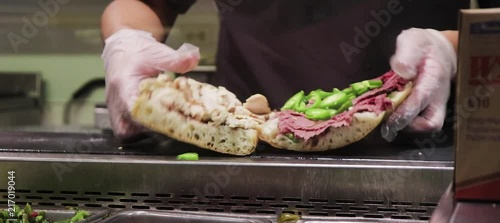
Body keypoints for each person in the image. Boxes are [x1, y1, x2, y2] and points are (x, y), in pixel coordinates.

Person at [100, 0, 468, 142]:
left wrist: (451, 49)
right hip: (243, 149)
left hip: (415, 150)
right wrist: (125, 40)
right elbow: (141, 4)